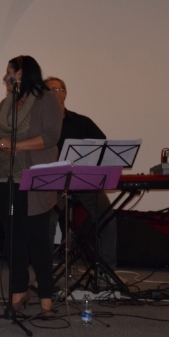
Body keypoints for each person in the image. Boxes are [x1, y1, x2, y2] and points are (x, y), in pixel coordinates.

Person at [0, 55, 62, 316]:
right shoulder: (6, 102)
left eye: (8, 72)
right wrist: (1, 144)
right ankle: (19, 290)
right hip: (4, 177)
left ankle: (46, 297)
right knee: (13, 239)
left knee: (38, 239)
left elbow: (51, 136)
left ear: (20, 74)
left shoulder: (46, 99)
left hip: (34, 179)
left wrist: (17, 145)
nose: (4, 78)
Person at [45, 76, 117, 270]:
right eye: (49, 91)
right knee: (47, 220)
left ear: (65, 94)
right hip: (55, 183)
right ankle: (45, 272)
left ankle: (107, 270)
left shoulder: (81, 122)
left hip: (84, 182)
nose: (54, 94)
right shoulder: (40, 126)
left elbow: (102, 147)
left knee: (107, 217)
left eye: (57, 89)